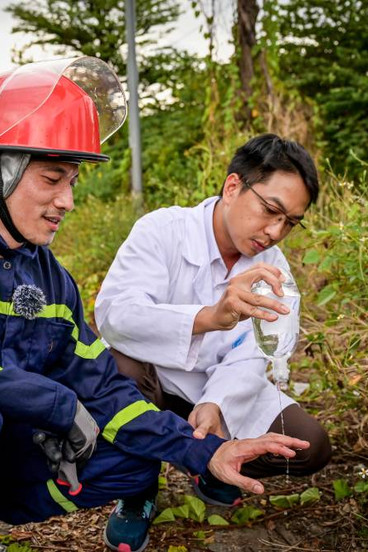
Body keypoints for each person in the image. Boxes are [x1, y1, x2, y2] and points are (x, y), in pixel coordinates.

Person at [0, 58, 309, 552]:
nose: (67, 201)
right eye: (52, 179)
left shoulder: (51, 278)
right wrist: (57, 405)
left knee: (135, 460)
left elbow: (104, 389)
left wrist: (206, 452)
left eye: (72, 182)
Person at [95, 134, 332, 518]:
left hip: (214, 389)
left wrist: (217, 404)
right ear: (233, 185)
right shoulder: (163, 230)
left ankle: (207, 465)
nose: (275, 231)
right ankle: (138, 487)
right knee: (120, 368)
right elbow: (115, 315)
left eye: (289, 222)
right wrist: (208, 318)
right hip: (152, 380)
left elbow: (258, 352)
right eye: (270, 210)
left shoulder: (275, 269)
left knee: (309, 445)